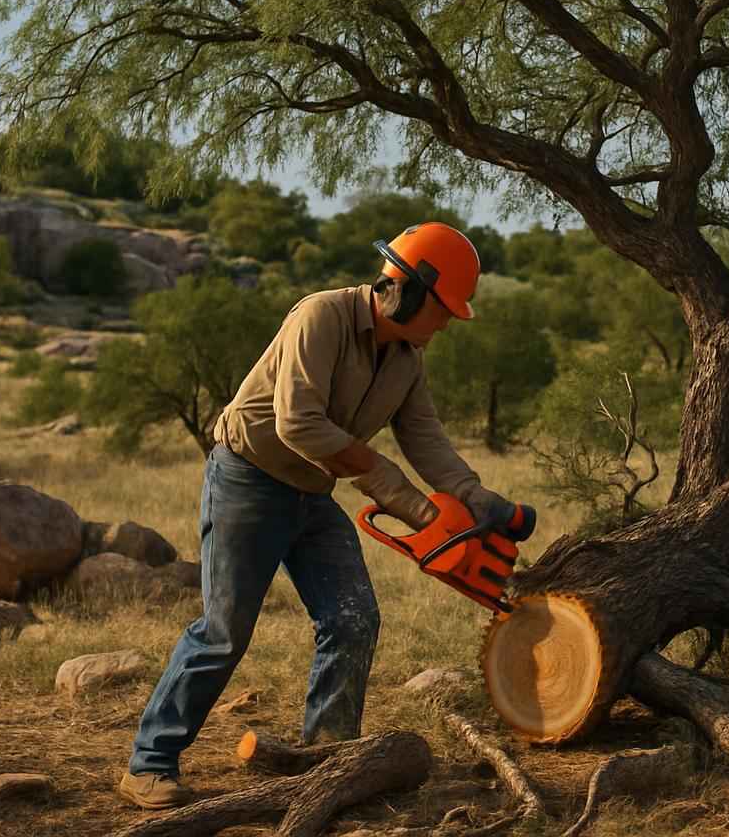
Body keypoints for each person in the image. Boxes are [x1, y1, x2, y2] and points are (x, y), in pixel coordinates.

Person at [118, 222, 517, 810]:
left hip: (311, 493)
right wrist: (406, 500)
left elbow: (425, 436)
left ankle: (326, 762)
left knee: (354, 619)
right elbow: (298, 424)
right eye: (444, 309)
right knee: (224, 633)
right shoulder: (321, 317)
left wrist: (477, 499)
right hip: (249, 479)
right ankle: (149, 764)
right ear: (407, 290)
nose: (448, 322)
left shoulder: (406, 358)